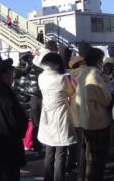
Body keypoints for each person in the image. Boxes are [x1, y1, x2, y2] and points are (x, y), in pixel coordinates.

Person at [73, 48, 112, 181]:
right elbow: (106, 101)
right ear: (99, 62)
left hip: (85, 121)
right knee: (98, 161)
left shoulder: (82, 75)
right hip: (99, 123)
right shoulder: (95, 77)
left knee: (90, 158)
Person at [38, 53, 77, 181]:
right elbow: (71, 92)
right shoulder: (61, 78)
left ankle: (47, 178)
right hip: (61, 116)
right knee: (61, 154)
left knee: (49, 152)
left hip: (47, 117)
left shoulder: (41, 77)